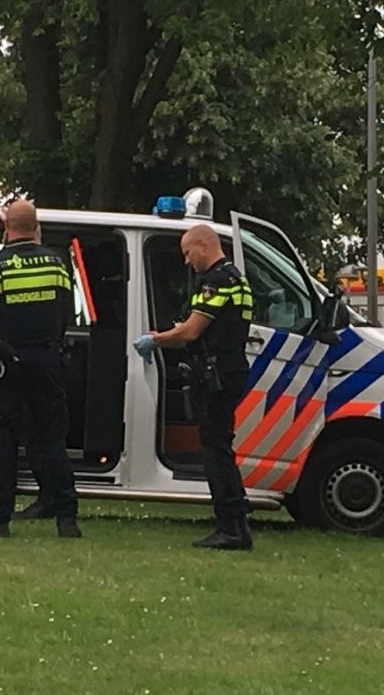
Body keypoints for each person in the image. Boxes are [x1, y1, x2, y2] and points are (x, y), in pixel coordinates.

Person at [0, 199, 80, 538]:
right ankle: (66, 519)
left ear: (7, 229)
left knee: (3, 440)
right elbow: (65, 311)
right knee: (51, 440)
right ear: (37, 228)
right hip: (48, 362)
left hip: (9, 366)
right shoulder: (56, 263)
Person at [134, 224, 254, 550]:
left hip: (216, 375)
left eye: (188, 253)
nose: (188, 262)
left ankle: (229, 528)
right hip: (229, 370)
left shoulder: (217, 282)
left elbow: (191, 332)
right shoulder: (237, 279)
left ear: (203, 246)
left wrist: (155, 339)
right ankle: (237, 525)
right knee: (221, 447)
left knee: (215, 451)